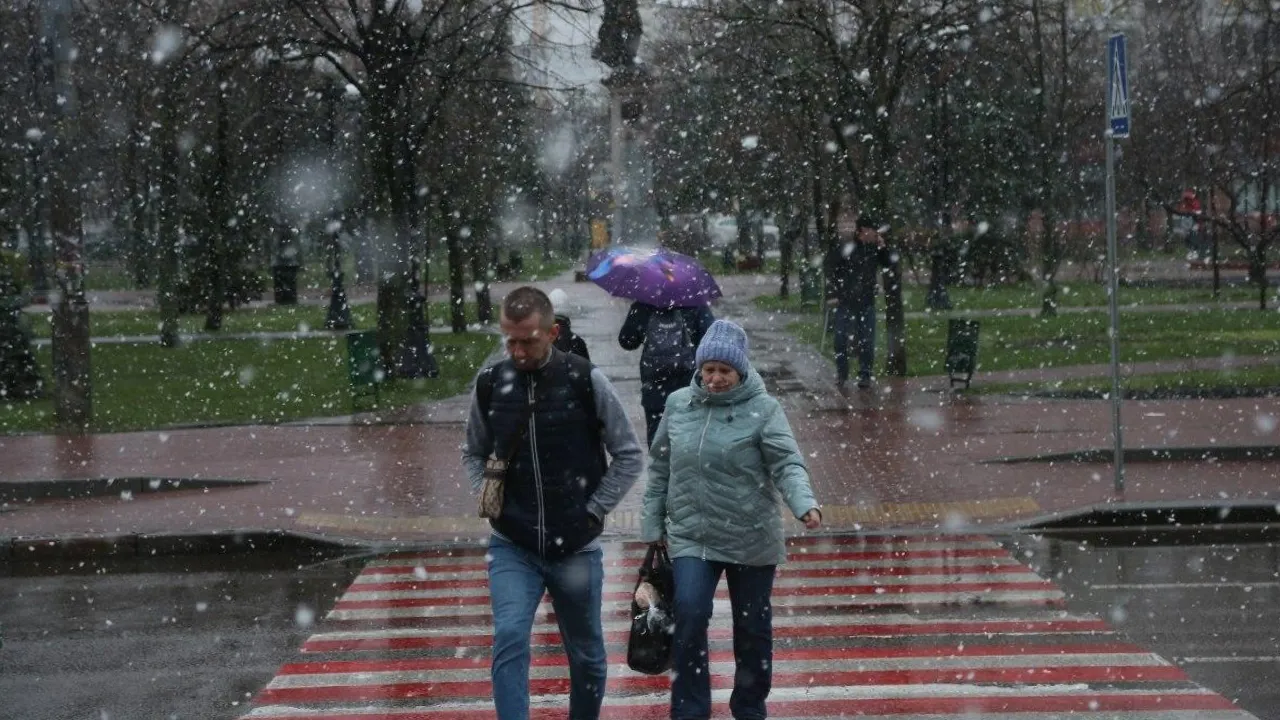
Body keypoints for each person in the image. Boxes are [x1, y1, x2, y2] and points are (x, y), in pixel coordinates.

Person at [462, 286, 644, 720]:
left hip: (576, 546)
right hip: (513, 543)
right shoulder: (490, 385)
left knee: (587, 655)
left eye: (528, 339)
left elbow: (629, 454)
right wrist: (490, 501)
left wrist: (594, 509)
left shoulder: (585, 379)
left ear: (552, 331)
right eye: (511, 340)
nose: (518, 350)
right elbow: (472, 451)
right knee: (509, 636)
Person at [641, 319, 822, 720]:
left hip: (751, 535)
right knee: (688, 614)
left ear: (741, 371)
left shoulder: (765, 410)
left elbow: (787, 462)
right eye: (709, 370)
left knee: (752, 629)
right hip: (692, 534)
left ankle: (749, 707)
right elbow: (659, 469)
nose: (716, 379)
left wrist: (804, 503)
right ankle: (690, 710)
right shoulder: (678, 405)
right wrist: (652, 526)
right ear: (699, 368)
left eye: (725, 371)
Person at [618, 300, 715, 445]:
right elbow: (711, 339)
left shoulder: (644, 304)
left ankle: (660, 463)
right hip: (688, 387)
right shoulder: (694, 303)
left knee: (658, 442)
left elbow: (627, 341)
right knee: (689, 442)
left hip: (654, 389)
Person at [825, 214, 889, 390]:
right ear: (863, 231)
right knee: (840, 339)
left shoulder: (873, 249)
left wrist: (883, 248)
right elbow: (831, 269)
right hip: (845, 302)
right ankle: (842, 373)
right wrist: (834, 293)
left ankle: (865, 374)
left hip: (866, 302)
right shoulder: (846, 248)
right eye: (872, 230)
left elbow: (888, 264)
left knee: (867, 340)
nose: (875, 234)